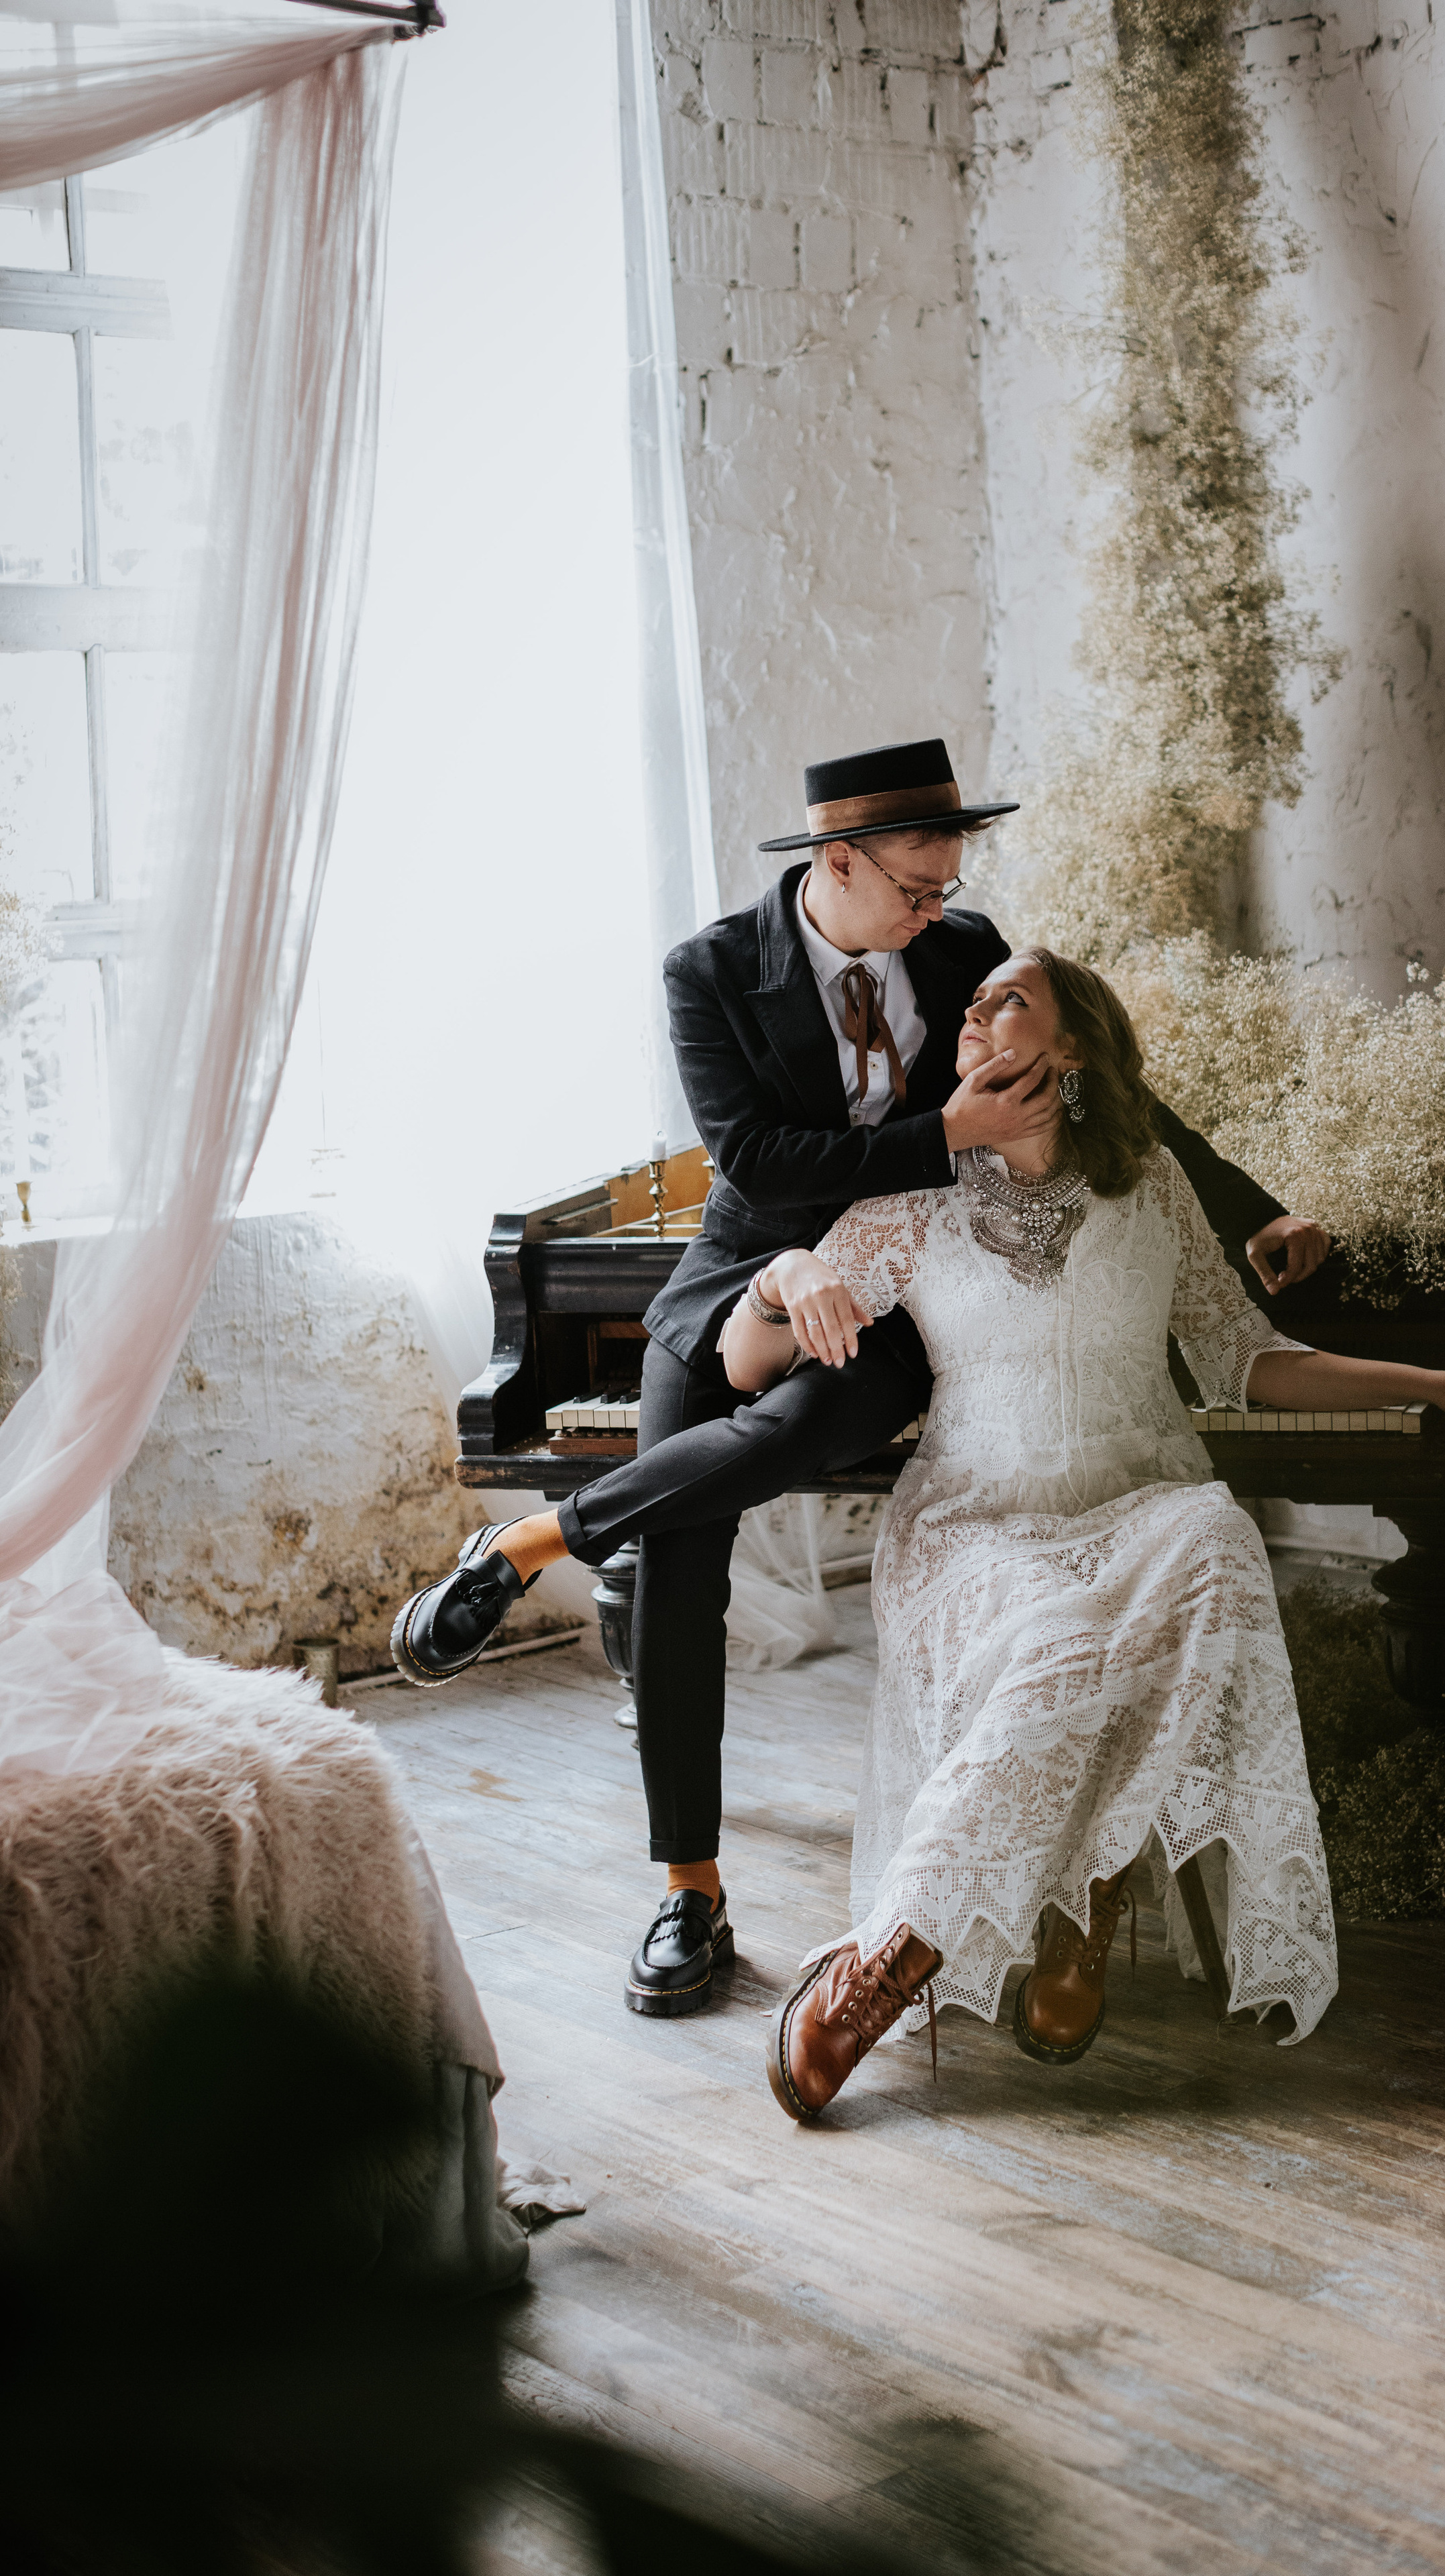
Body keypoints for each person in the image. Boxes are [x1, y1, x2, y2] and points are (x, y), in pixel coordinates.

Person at [389, 741, 1333, 2022]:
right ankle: (688, 1893)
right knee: (684, 1544)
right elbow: (760, 1159)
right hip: (745, 1272)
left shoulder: (962, 952)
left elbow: (1113, 1090)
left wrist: (1260, 1214)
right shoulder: (711, 973)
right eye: (916, 888)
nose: (939, 912)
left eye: (948, 886)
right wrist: (941, 1140)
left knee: (800, 1427)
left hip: (888, 1281)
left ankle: (540, 1539)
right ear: (838, 863)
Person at [715, 949, 1445, 2122]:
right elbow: (746, 1363)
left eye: (1010, 997)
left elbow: (1247, 1361)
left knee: (1213, 1540)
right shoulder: (915, 1195)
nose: (976, 1011)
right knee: (1062, 1646)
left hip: (1136, 1504)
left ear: (1076, 1046)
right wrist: (788, 1272)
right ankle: (895, 1954)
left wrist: (1430, 1383)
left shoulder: (1148, 1186)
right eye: (973, 1002)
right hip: (975, 1528)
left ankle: (1083, 1894)